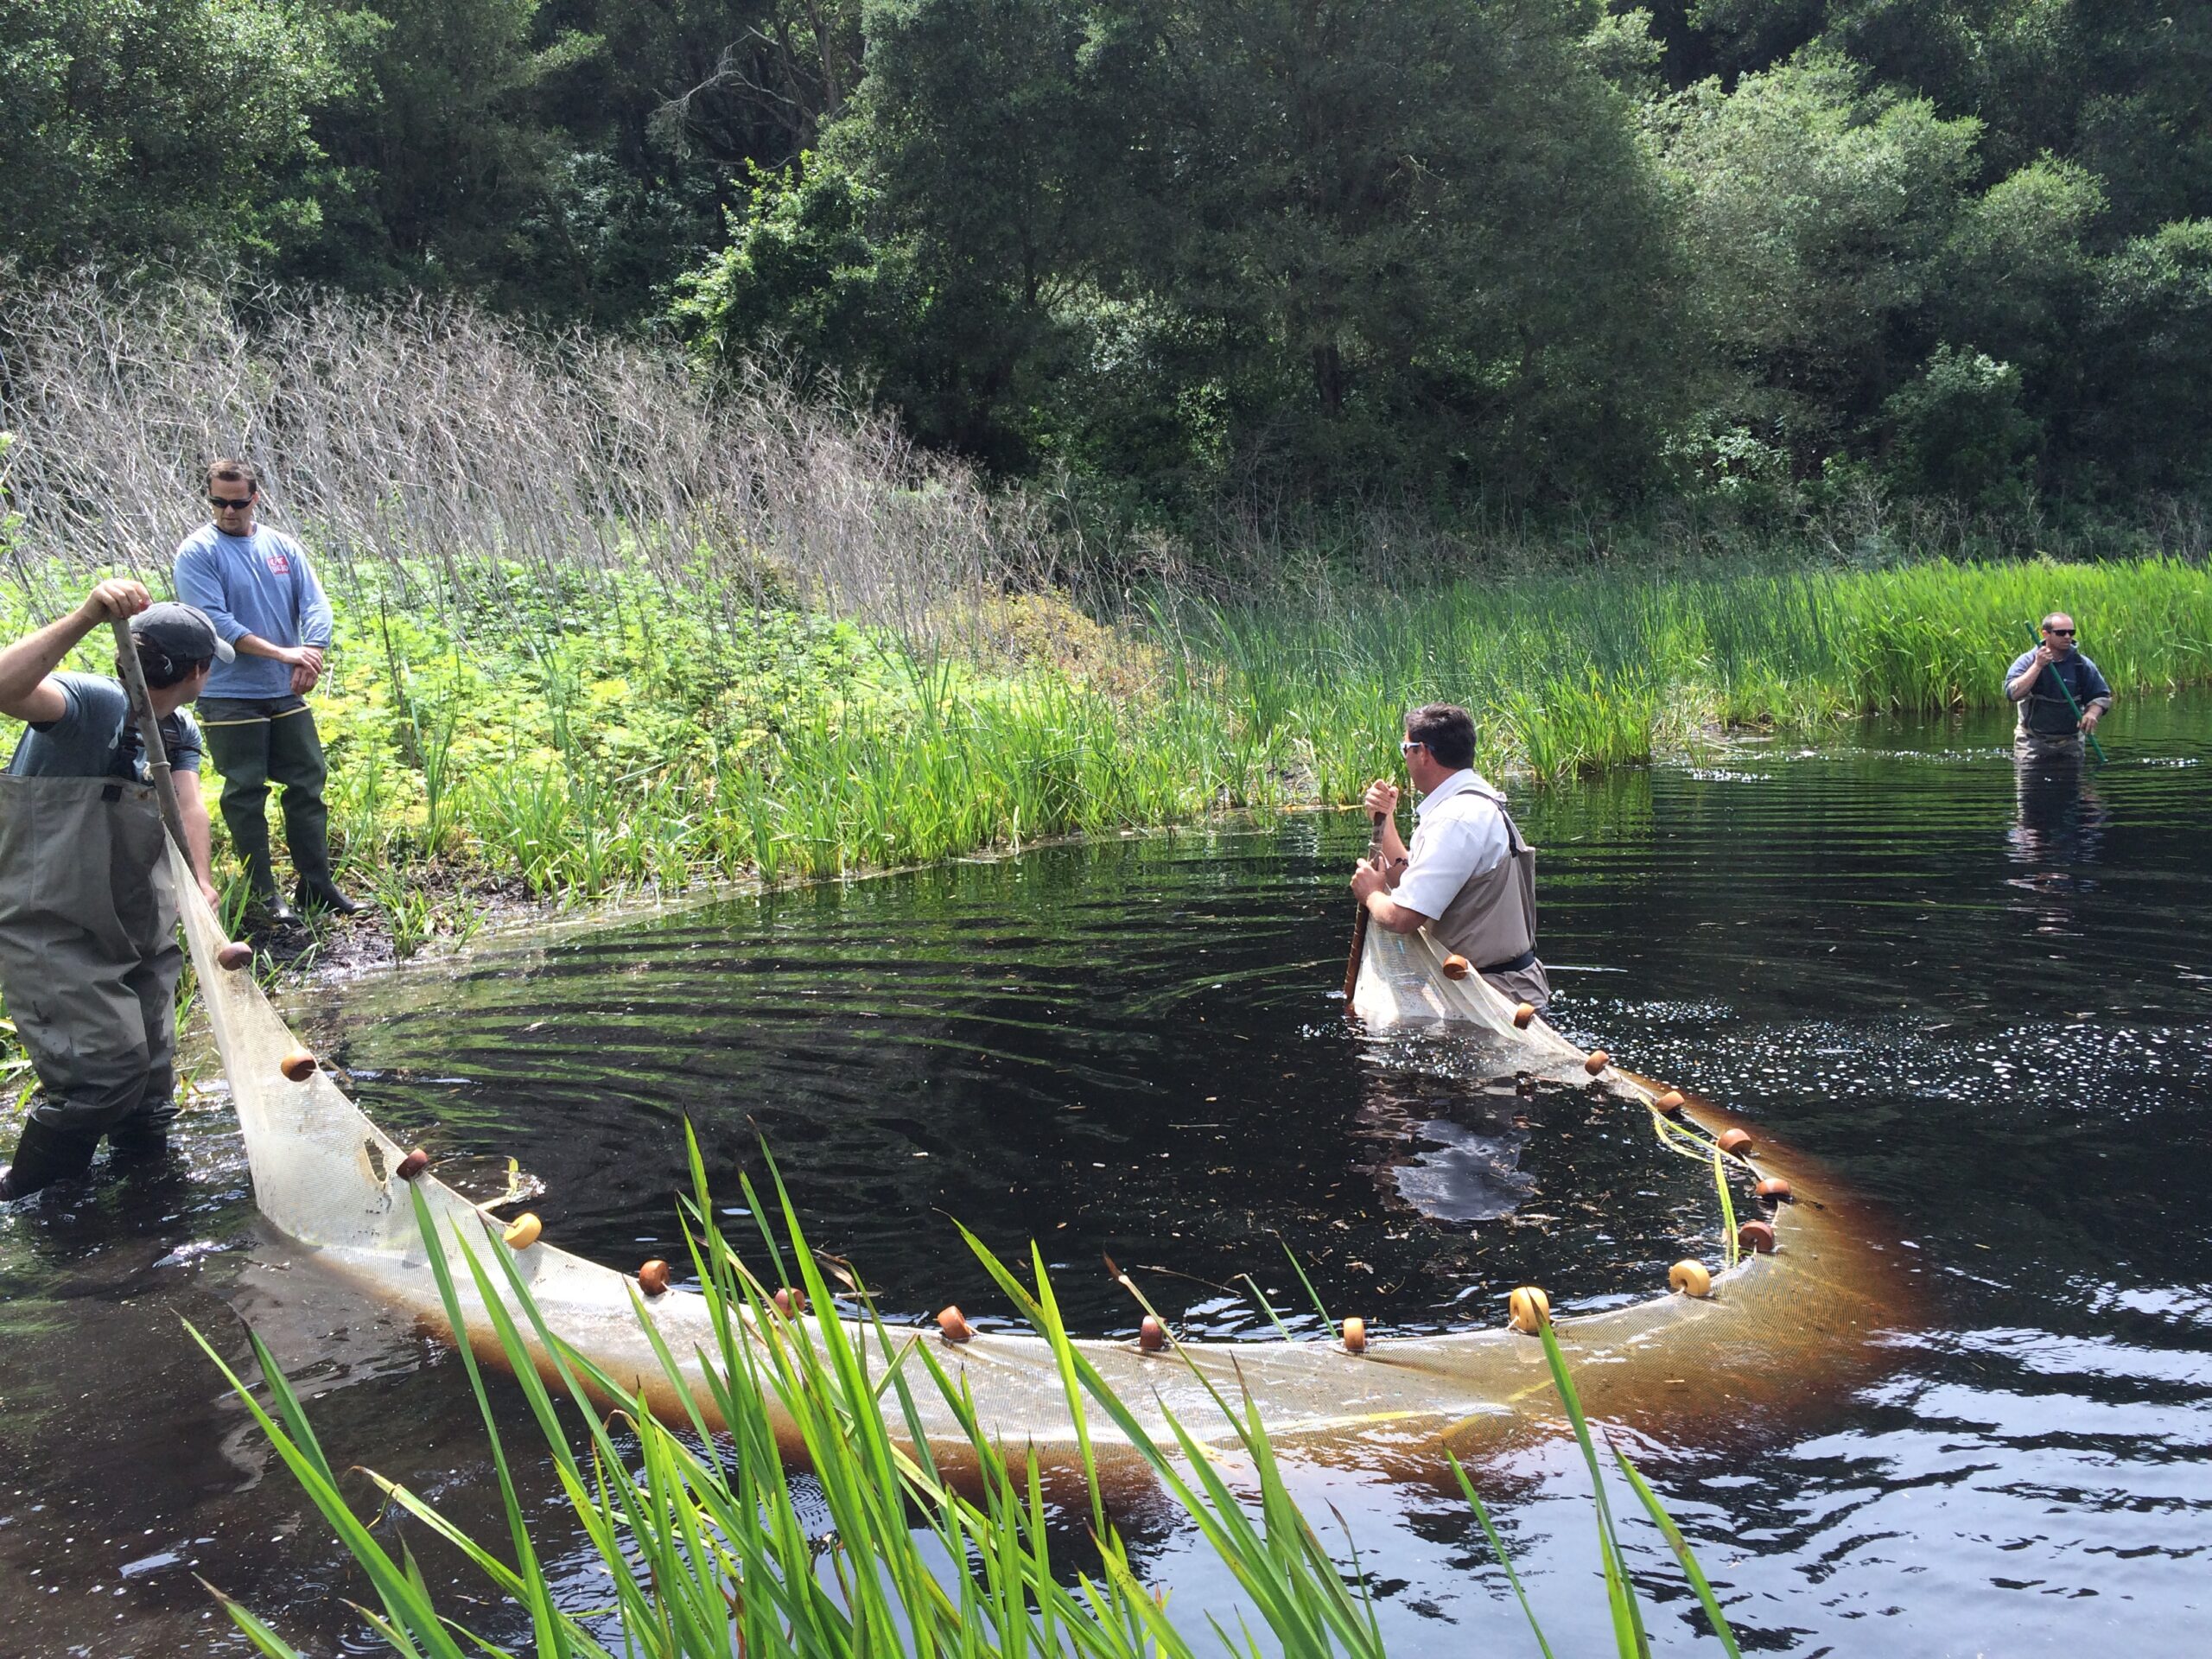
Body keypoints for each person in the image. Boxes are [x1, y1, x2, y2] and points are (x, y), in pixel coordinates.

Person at [0, 580, 228, 1198]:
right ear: (199, 670)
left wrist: (202, 885)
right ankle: (33, 1207)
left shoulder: (177, 732)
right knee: (102, 1076)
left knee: (150, 1081)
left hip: (138, 929)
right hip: (56, 929)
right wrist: (84, 615)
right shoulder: (89, 704)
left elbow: (188, 806)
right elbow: (3, 686)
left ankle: (148, 1210)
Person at [174, 458, 359, 922]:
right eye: (218, 502)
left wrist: (311, 650)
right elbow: (214, 622)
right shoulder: (198, 552)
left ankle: (316, 886)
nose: (228, 511)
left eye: (237, 502)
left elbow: (316, 603)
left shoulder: (282, 546)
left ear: (255, 498)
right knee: (245, 790)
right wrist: (284, 654)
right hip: (229, 690)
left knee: (307, 782)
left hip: (283, 690)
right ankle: (263, 895)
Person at [1348, 702, 1550, 1012]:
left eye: (1406, 748)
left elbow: (1403, 918)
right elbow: (1415, 885)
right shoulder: (1479, 803)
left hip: (1490, 998)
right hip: (1510, 989)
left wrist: (1372, 894)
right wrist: (1384, 819)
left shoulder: (1454, 820)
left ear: (1423, 753)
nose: (1405, 758)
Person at [2005, 613, 2112, 757]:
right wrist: (2038, 666)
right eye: (2061, 633)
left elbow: (2101, 696)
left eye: (2071, 632)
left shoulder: (2082, 664)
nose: (2068, 636)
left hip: (2071, 743)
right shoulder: (2027, 661)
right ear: (2046, 634)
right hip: (2032, 743)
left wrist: (2093, 713)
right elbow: (2012, 693)